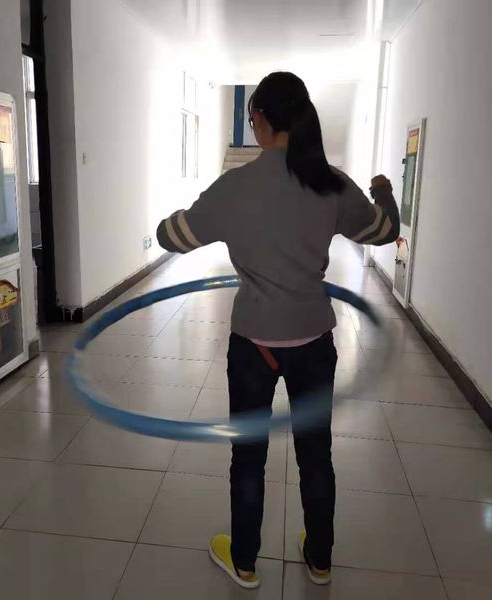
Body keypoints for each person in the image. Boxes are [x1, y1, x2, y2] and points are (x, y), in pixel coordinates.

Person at [156, 71, 400, 589]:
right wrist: (383, 191)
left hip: (254, 346)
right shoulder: (332, 184)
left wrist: (185, 212)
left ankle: (244, 561)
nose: (253, 126)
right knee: (316, 454)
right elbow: (384, 231)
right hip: (313, 342)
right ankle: (320, 558)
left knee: (248, 456)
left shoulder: (233, 187)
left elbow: (172, 237)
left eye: (251, 120)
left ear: (262, 119)